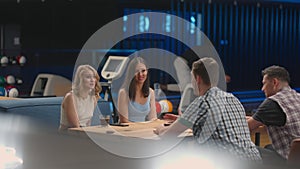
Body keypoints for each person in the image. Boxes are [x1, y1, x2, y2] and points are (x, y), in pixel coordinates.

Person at [154, 57, 261, 161]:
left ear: (198, 79)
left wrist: (159, 128)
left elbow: (168, 135)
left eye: (192, 78)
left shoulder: (201, 102)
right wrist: (182, 120)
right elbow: (218, 124)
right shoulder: (233, 99)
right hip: (253, 160)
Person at [247, 65, 300, 164]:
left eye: (264, 84)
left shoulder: (273, 103)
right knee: (269, 147)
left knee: (246, 151)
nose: (262, 89)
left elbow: (245, 127)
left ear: (275, 82)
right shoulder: (297, 97)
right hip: (297, 154)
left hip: (290, 160)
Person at [59, 64, 102, 131]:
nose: (92, 80)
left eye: (94, 77)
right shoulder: (70, 97)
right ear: (80, 80)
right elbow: (75, 126)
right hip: (68, 135)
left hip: (83, 133)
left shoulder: (93, 98)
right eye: (88, 77)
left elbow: (88, 123)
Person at [117, 57, 157, 123]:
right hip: (127, 131)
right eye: (136, 71)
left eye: (143, 71)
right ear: (131, 74)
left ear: (147, 71)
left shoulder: (151, 92)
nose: (140, 74)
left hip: (143, 131)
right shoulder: (124, 92)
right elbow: (124, 121)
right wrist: (143, 126)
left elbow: (153, 119)